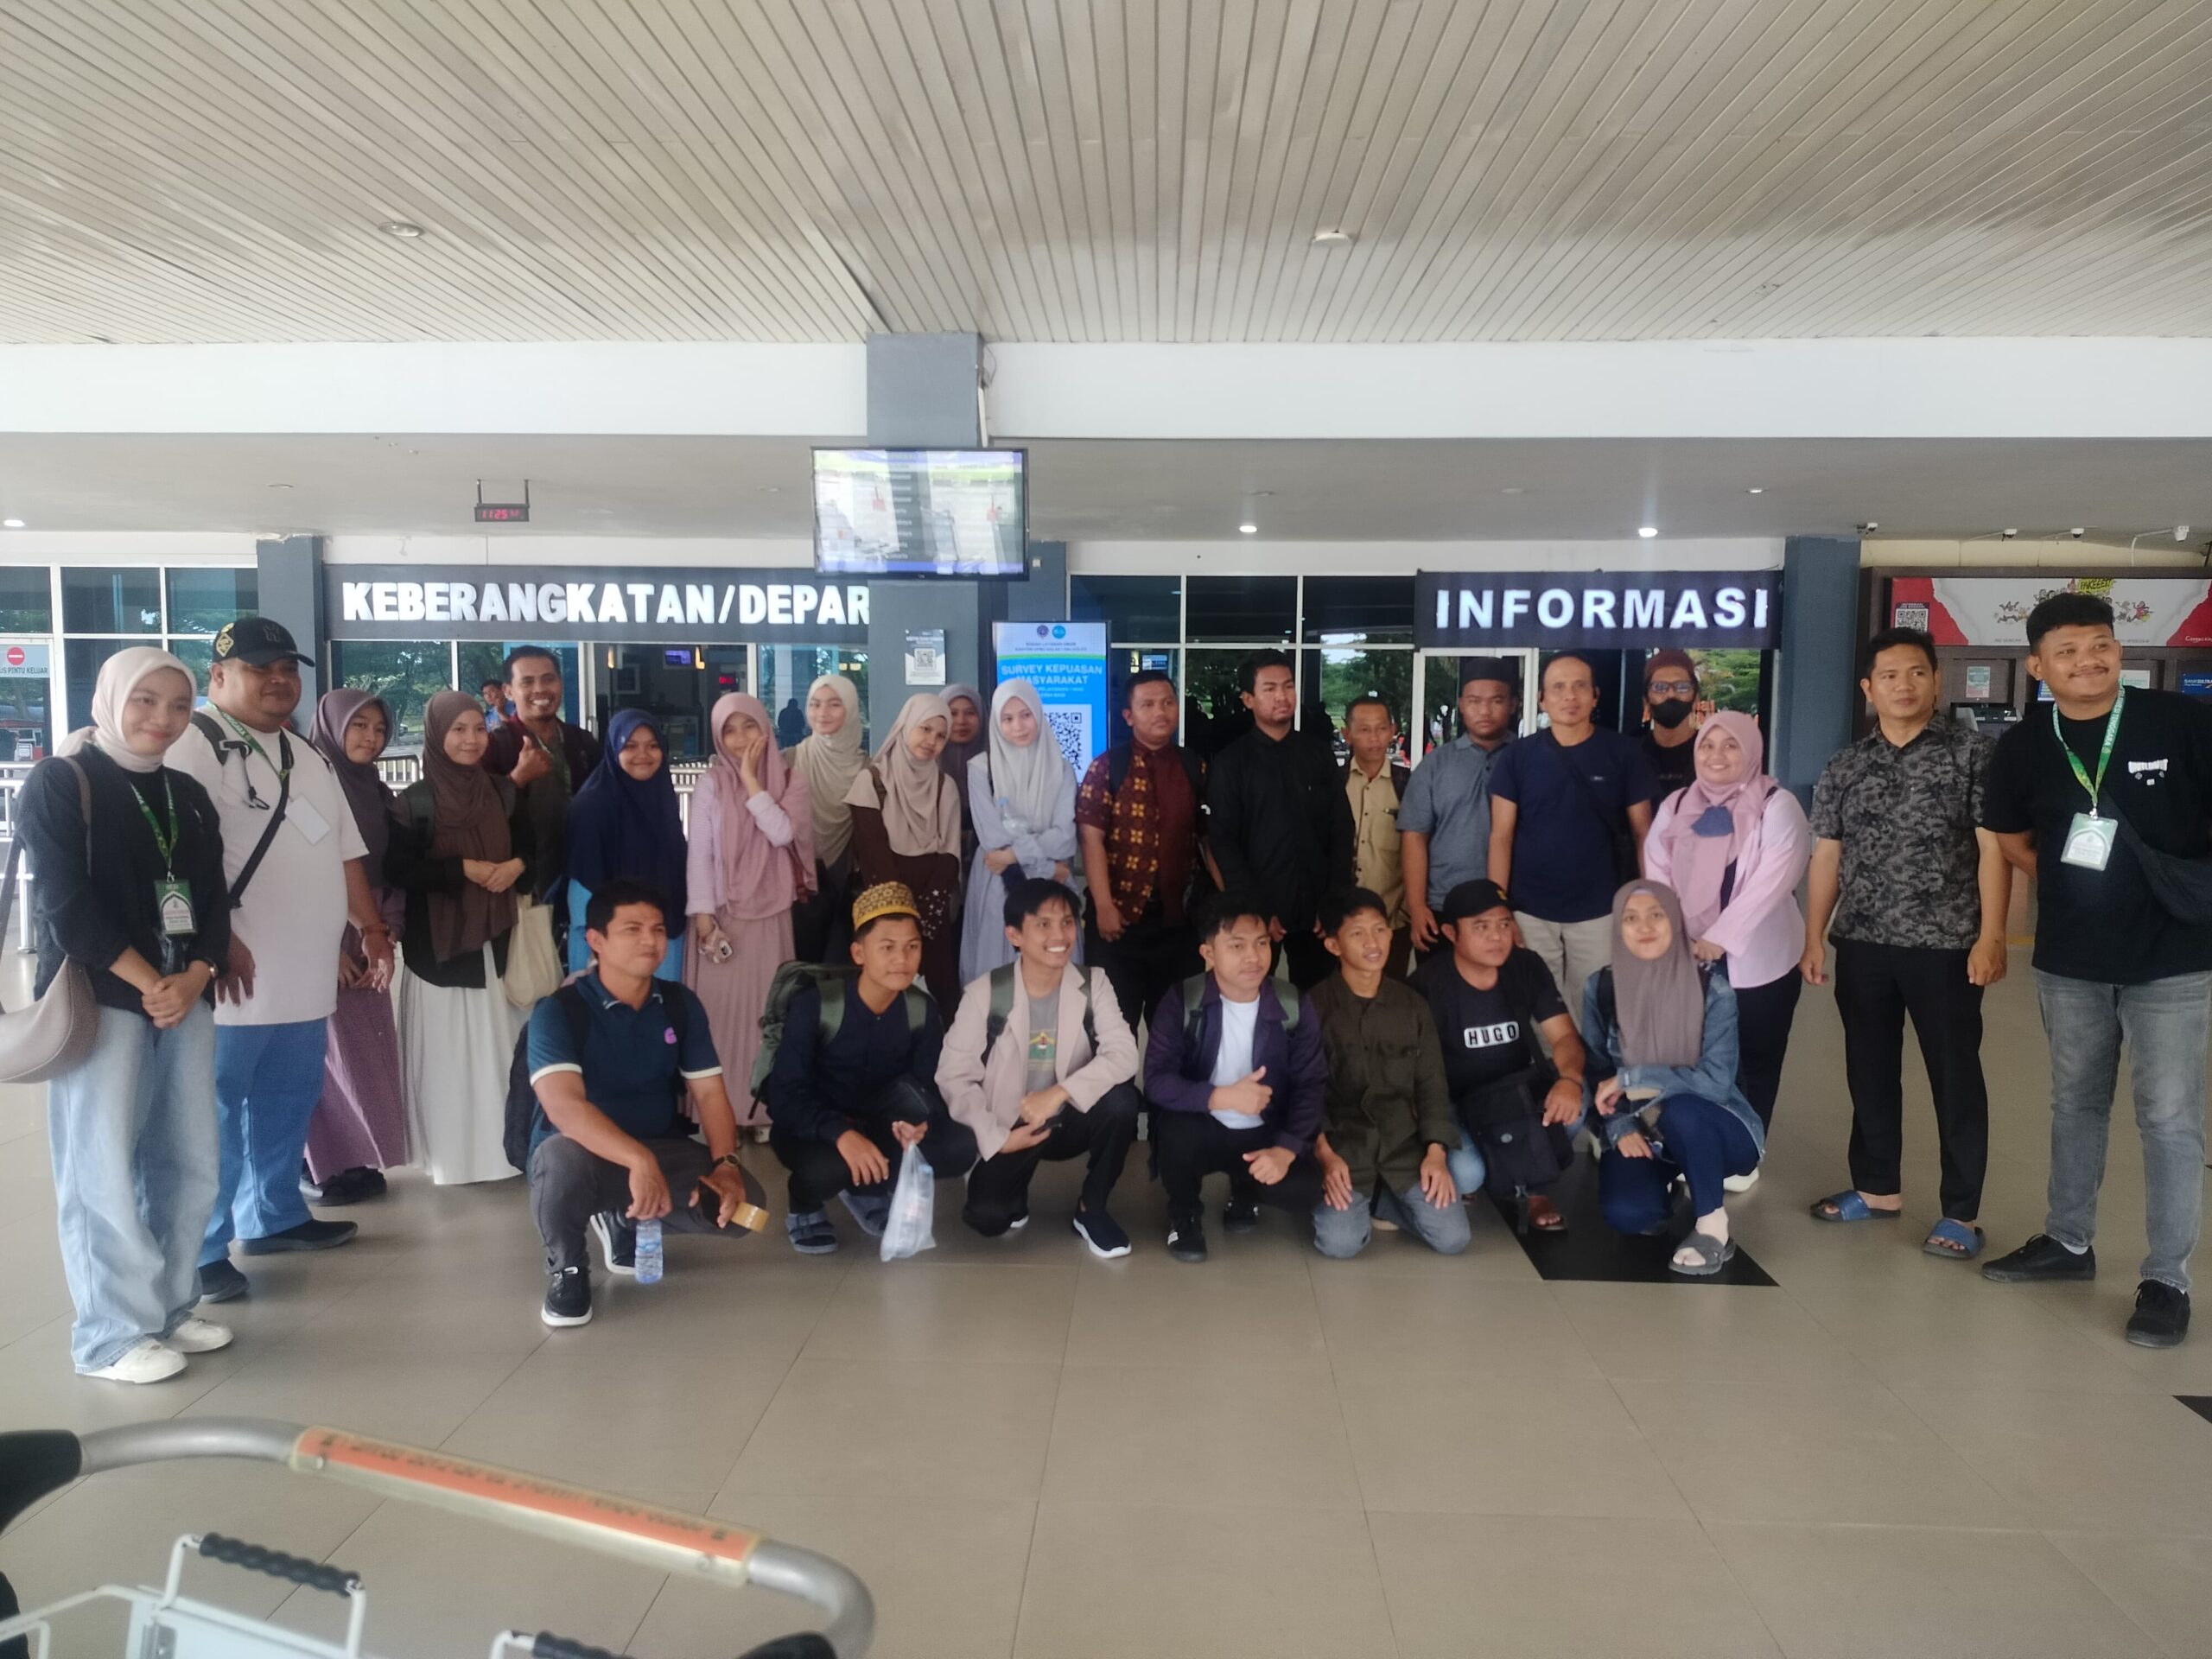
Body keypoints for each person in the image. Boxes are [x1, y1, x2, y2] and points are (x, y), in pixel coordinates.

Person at [1979, 594, 2212, 1347]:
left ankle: (2167, 1279)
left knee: (2170, 1118)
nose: (2089, 661)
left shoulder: (2180, 722)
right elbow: (2010, 837)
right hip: (2071, 958)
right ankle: (2068, 1241)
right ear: (2038, 666)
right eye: (2068, 651)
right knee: (2075, 1103)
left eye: (2101, 645)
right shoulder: (2025, 745)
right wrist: (2075, 881)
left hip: (2173, 955)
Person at [168, 617, 393, 1305]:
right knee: (215, 1112)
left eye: (287, 669)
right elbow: (178, 859)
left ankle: (274, 1215)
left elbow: (345, 852)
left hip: (304, 975)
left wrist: (372, 928)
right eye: (260, 669)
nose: (278, 680)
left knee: (287, 1100)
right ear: (218, 677)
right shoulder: (196, 745)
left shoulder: (304, 754)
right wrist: (215, 941)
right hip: (233, 976)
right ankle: (203, 1250)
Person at [27, 649, 232, 1382]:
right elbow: (65, 904)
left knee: (190, 1159)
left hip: (184, 996)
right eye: (145, 700)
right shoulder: (63, 780)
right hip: (104, 997)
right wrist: (151, 982)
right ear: (110, 697)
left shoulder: (186, 793)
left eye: (178, 705)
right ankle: (110, 1335)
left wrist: (197, 974)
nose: (162, 718)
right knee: (103, 1165)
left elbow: (214, 900)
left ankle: (170, 1306)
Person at [1802, 627, 2007, 1262]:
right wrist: (1814, 934)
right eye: (1889, 675)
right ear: (1869, 688)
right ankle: (1877, 1188)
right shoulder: (1846, 764)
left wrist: (1992, 936)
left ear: (1936, 680)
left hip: (1946, 944)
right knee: (1869, 1069)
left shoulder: (1972, 755)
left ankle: (1961, 1212)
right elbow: (1827, 854)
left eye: (1917, 672)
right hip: (1863, 941)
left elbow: (1993, 850)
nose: (1904, 685)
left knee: (1955, 1077)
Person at [525, 880, 766, 1328]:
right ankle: (568, 1268)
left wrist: (727, 1164)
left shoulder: (679, 1004)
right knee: (559, 1162)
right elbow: (565, 1109)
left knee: (747, 1211)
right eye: (632, 929)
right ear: (595, 940)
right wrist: (638, 1160)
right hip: (582, 1152)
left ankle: (625, 1220)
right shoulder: (559, 1011)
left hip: (660, 1145)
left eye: (657, 930)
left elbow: (710, 1093)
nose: (650, 940)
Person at [764, 882, 978, 1255]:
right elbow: (784, 1096)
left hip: (883, 1122)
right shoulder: (816, 1006)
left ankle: (869, 1188)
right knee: (826, 1170)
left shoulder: (921, 1009)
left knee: (958, 1146)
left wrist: (918, 1122)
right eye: (888, 947)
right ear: (858, 953)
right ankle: (805, 1205)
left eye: (912, 947)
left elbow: (927, 1085)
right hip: (813, 1128)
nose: (902, 959)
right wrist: (841, 1134)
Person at [1642, 712, 1810, 1179]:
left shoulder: (1778, 806)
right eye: (1707, 746)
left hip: (1761, 962)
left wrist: (1719, 937)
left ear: (1751, 750)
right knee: (1694, 1057)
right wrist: (1678, 936)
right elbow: (1657, 872)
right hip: (1688, 958)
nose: (1717, 755)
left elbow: (1773, 881)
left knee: (1754, 1061)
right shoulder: (1678, 805)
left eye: (1730, 745)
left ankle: (1745, 1152)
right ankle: (1698, 1146)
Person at [939, 878, 1140, 1256]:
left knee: (1122, 1103)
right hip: (1012, 1124)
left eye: (1067, 922)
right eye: (1043, 924)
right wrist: (997, 1138)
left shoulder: (1093, 984)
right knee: (988, 1218)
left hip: (1071, 1115)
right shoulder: (986, 992)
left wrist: (1059, 1093)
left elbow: (1124, 1054)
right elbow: (954, 1076)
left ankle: (1092, 1209)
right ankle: (1014, 1190)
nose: (1059, 935)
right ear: (1014, 935)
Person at [390, 690, 533, 1186]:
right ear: (436, 734)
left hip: (495, 944)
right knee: (448, 1059)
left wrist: (516, 866)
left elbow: (534, 848)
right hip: (439, 951)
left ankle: (505, 1153)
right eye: (458, 729)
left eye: (479, 728)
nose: (472, 739)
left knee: (499, 1049)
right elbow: (398, 870)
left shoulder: (503, 792)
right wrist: (461, 870)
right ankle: (455, 1158)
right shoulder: (414, 803)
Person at [1585, 881, 1764, 1274]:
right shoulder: (1602, 988)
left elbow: (1714, 1083)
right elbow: (1596, 1072)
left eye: (1657, 915)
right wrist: (1619, 1126)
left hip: (1719, 1129)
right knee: (1629, 1215)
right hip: (1644, 1129)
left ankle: (1712, 1225)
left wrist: (1632, 1078)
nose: (1644, 927)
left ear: (1677, 924)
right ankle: (1670, 1185)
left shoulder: (1713, 991)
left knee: (1681, 1110)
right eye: (1631, 918)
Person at [1142, 891, 1326, 1262]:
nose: (1253, 957)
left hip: (1264, 1130)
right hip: (1203, 1126)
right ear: (1209, 953)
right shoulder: (1182, 1000)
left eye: (1261, 943)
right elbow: (1157, 1079)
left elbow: (1311, 1084)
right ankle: (1184, 1215)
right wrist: (1219, 1097)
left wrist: (1286, 1149)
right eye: (1237, 945)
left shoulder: (1293, 1004)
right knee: (1175, 1133)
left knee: (1305, 1190)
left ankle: (1245, 1193)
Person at [1414, 880, 1586, 1234]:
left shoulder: (1525, 965)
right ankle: (1493, 1170)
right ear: (1451, 933)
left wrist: (1569, 1081)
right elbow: (1416, 1075)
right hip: (1459, 1102)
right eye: (1481, 927)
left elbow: (1565, 1036)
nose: (1497, 936)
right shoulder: (1429, 983)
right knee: (1467, 1174)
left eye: (1504, 923)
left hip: (1517, 1092)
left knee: (1577, 1103)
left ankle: (1536, 1190)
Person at [1488, 652, 1657, 1008]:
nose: (1569, 696)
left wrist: (1650, 899)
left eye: (1580, 686)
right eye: (1558, 687)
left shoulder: (1623, 753)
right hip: (1529, 908)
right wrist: (1497, 907)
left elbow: (1644, 833)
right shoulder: (1517, 757)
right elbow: (1501, 836)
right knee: (1537, 1005)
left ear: (1595, 696)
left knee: (1594, 1005)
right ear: (1542, 699)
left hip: (1600, 909)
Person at [1308, 888, 1467, 1259]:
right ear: (1333, 945)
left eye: (1379, 930)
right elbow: (1305, 1093)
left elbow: (1431, 1084)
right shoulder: (1314, 1007)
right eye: (1358, 933)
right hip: (1344, 1148)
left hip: (1403, 1145)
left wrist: (1436, 1153)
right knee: (1341, 1244)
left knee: (1453, 1238)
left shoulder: (1413, 1005)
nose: (1373, 942)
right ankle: (1360, 1203)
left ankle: (1382, 1199)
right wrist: (1325, 1156)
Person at [300, 690, 410, 1205]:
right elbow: (299, 871)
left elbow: (388, 869)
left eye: (379, 728)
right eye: (359, 726)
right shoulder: (307, 788)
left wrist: (385, 930)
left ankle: (355, 1156)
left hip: (369, 934)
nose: (371, 737)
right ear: (332, 727)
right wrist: (325, 947)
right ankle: (315, 1165)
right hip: (324, 935)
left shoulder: (377, 792)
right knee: (325, 1056)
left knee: (365, 1053)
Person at [685, 692, 811, 1132]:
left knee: (768, 1017)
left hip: (771, 916)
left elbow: (781, 833)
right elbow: (699, 856)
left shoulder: (791, 780)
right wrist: (704, 920)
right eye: (729, 731)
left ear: (766, 728)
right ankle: (717, 1116)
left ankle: (762, 1110)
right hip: (722, 918)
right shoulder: (710, 784)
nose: (740, 739)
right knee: (718, 1019)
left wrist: (752, 782)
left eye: (749, 726)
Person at [1204, 650, 1354, 990]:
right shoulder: (1231, 763)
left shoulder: (1318, 754)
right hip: (1259, 912)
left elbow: (1341, 829)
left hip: (1317, 911)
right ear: (1248, 699)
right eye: (1269, 689)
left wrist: (1333, 900)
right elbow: (1224, 842)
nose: (1282, 696)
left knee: (1319, 1001)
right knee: (1252, 999)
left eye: (1288, 686)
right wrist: (1254, 910)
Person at [1075, 669, 1208, 1035]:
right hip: (1118, 924)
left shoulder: (1193, 766)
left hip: (1179, 924)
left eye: (1168, 703)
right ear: (1129, 716)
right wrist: (1103, 906)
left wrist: (1224, 903)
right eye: (1148, 705)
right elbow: (1090, 838)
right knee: (1112, 1031)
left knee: (1178, 1032)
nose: (1160, 712)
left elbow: (1207, 838)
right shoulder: (1107, 767)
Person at [845, 693, 963, 1004]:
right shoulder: (870, 782)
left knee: (937, 996)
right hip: (885, 904)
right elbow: (874, 856)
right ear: (906, 726)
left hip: (932, 907)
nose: (932, 741)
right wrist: (904, 916)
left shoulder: (945, 786)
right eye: (925, 729)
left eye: (941, 736)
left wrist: (925, 916)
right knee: (886, 989)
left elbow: (950, 855)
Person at [1398, 658, 1517, 961]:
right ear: (1462, 705)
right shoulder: (1435, 765)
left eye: (1496, 701)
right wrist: (1417, 907)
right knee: (1439, 988)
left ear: (1513, 704)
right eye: (1475, 701)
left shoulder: (1528, 760)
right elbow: (1414, 837)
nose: (1485, 710)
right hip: (1443, 906)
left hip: (1514, 908)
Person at [960, 678, 1077, 982]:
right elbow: (992, 839)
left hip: (1045, 881)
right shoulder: (981, 769)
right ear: (996, 723)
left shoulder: (1062, 768)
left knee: (1054, 965)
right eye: (1008, 718)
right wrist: (1048, 867)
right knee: (998, 972)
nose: (1018, 727)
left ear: (1038, 715)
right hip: (1001, 881)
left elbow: (1065, 838)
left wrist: (1015, 854)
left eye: (1026, 715)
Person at [563, 709, 687, 979]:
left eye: (652, 746)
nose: (643, 755)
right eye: (630, 746)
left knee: (662, 1004)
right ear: (613, 749)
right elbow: (583, 887)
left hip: (663, 936)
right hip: (610, 945)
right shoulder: (591, 805)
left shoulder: (661, 798)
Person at [483, 645, 602, 906]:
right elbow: (477, 814)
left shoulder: (582, 742)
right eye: (527, 682)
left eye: (548, 679)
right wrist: (516, 779)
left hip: (581, 878)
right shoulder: (495, 746)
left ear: (560, 684)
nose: (540, 689)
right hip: (521, 888)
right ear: (508, 691)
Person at [788, 673, 866, 964]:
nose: (822, 713)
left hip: (843, 874)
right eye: (815, 704)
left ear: (851, 709)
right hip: (794, 878)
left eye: (834, 704)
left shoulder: (868, 768)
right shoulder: (789, 760)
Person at [1340, 696, 1413, 976]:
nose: (1374, 738)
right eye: (1364, 729)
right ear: (1347, 734)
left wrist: (1408, 911)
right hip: (1341, 919)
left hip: (1393, 919)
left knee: (1392, 991)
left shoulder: (1408, 785)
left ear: (1393, 730)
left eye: (1381, 728)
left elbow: (1421, 849)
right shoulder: (1333, 783)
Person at [1639, 650, 1704, 795]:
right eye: (1659, 687)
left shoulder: (1711, 755)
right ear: (1646, 701)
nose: (1671, 694)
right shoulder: (1631, 756)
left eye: (1682, 687)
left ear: (1696, 699)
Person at [938, 682, 987, 861]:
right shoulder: (924, 767)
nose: (961, 721)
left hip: (989, 861)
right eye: (952, 713)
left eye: (970, 713)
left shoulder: (998, 765)